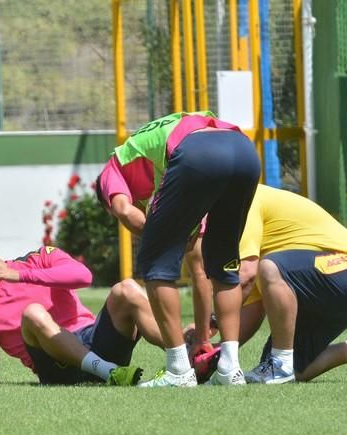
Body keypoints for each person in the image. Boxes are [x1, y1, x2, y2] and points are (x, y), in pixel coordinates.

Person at [95, 110, 260, 387]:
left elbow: (124, 210)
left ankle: (178, 372)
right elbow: (196, 257)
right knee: (223, 264)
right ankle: (230, 370)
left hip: (199, 153)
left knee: (154, 262)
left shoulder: (112, 169)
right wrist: (204, 340)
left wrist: (155, 240)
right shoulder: (160, 170)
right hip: (243, 150)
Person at [0, 235, 165, 386]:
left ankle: (184, 360)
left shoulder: (37, 259)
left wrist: (20, 275)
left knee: (126, 289)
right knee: (33, 313)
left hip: (95, 338)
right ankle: (109, 373)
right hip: (57, 367)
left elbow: (83, 276)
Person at [231, 184, 347, 383]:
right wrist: (217, 350)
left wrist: (209, 327)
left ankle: (280, 364)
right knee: (296, 369)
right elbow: (254, 309)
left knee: (269, 267)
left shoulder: (244, 199)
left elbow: (246, 276)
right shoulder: (234, 207)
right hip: (318, 284)